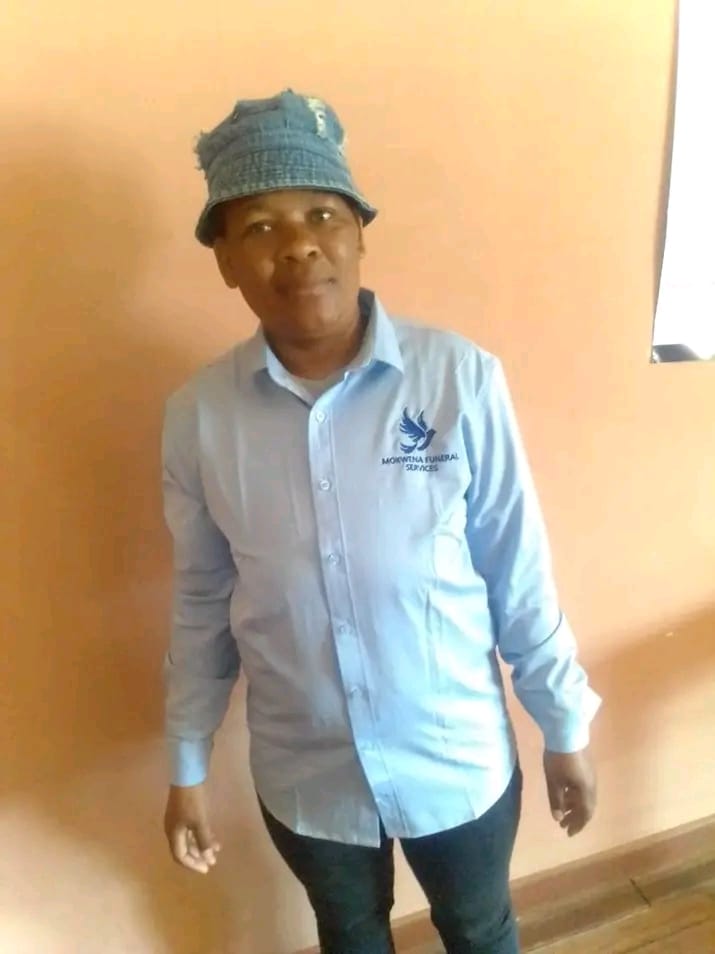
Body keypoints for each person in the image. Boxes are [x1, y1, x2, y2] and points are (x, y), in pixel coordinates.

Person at [161, 89, 601, 954]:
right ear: (224, 261)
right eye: (260, 227)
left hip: (455, 757)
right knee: (349, 934)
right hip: (306, 775)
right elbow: (201, 599)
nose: (298, 245)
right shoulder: (198, 417)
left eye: (322, 214)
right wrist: (186, 763)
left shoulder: (457, 378)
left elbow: (515, 568)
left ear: (359, 232)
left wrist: (563, 726)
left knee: (479, 929)